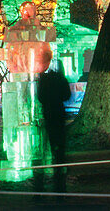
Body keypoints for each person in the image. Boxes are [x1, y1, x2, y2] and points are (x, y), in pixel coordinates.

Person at [37, 61, 72, 192]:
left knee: (49, 139)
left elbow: (40, 97)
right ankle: (59, 162)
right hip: (59, 112)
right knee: (60, 141)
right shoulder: (61, 79)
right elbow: (67, 95)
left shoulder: (44, 80)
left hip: (48, 113)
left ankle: (52, 156)